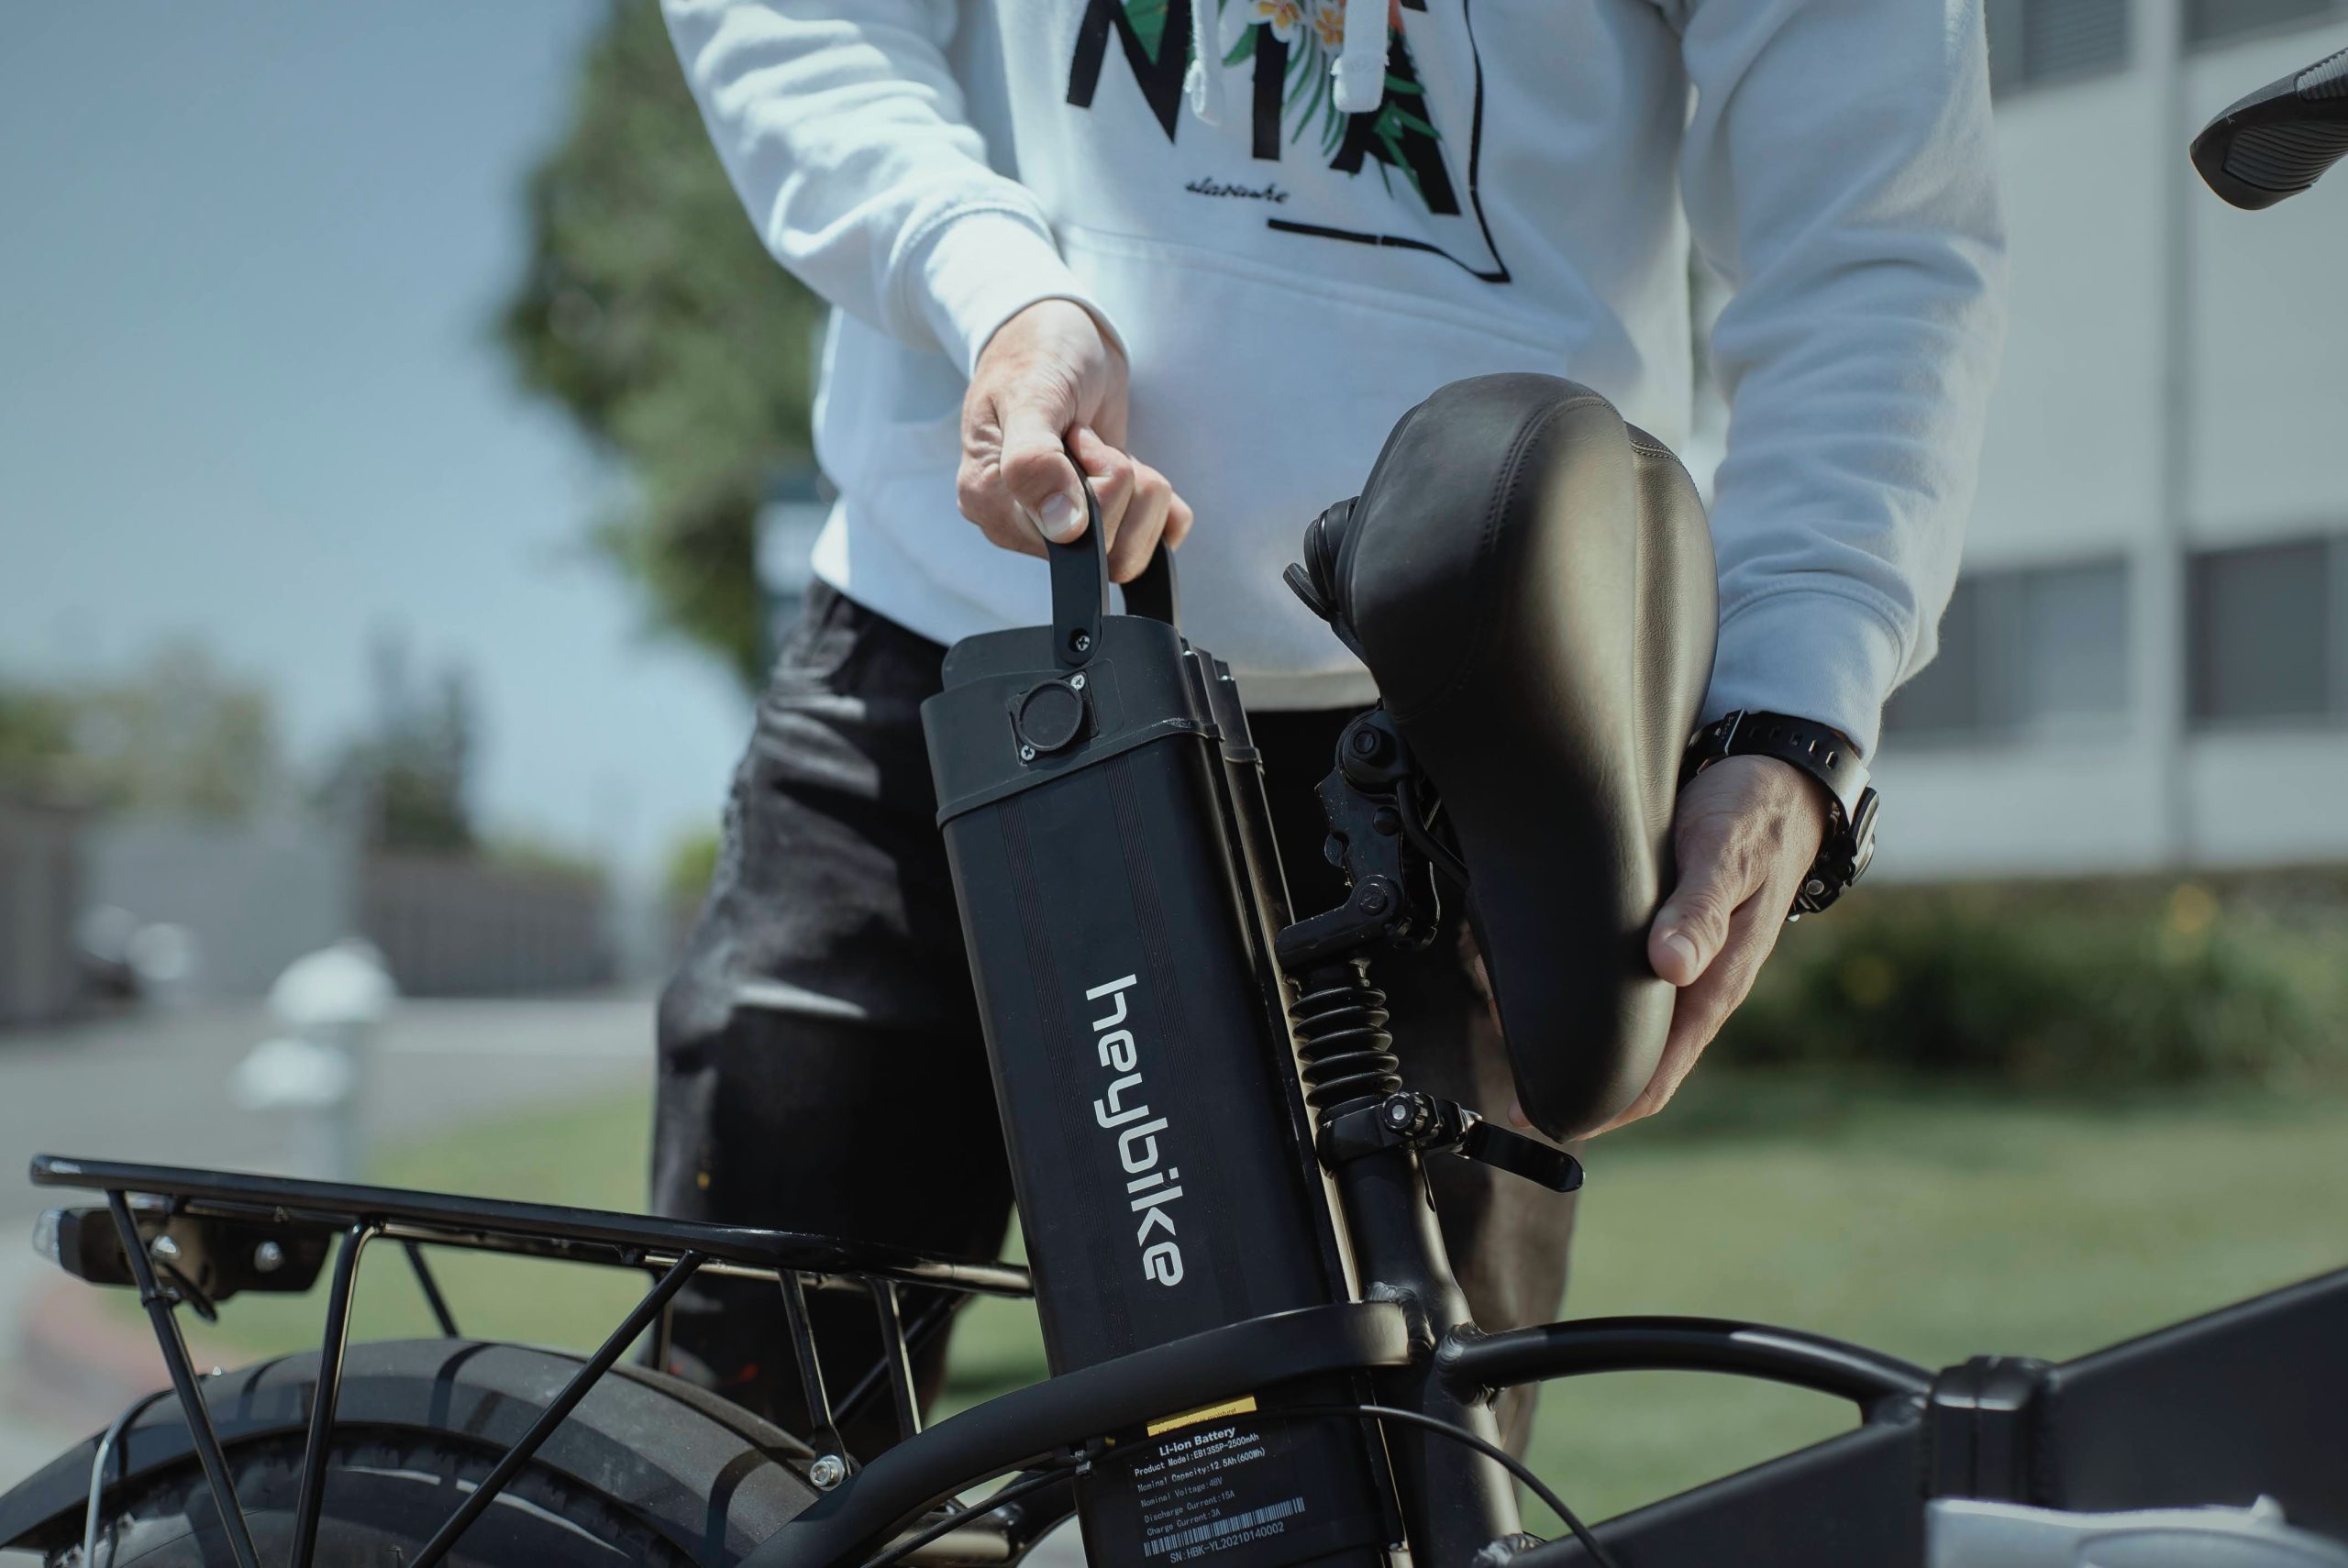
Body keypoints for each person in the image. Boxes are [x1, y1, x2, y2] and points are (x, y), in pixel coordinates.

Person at [651, 0, 2007, 1452]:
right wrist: (986, 278)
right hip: (949, 658)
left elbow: (1874, 229)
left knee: (1382, 1504)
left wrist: (1793, 701)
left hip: (1462, 744)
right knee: (728, 1479)